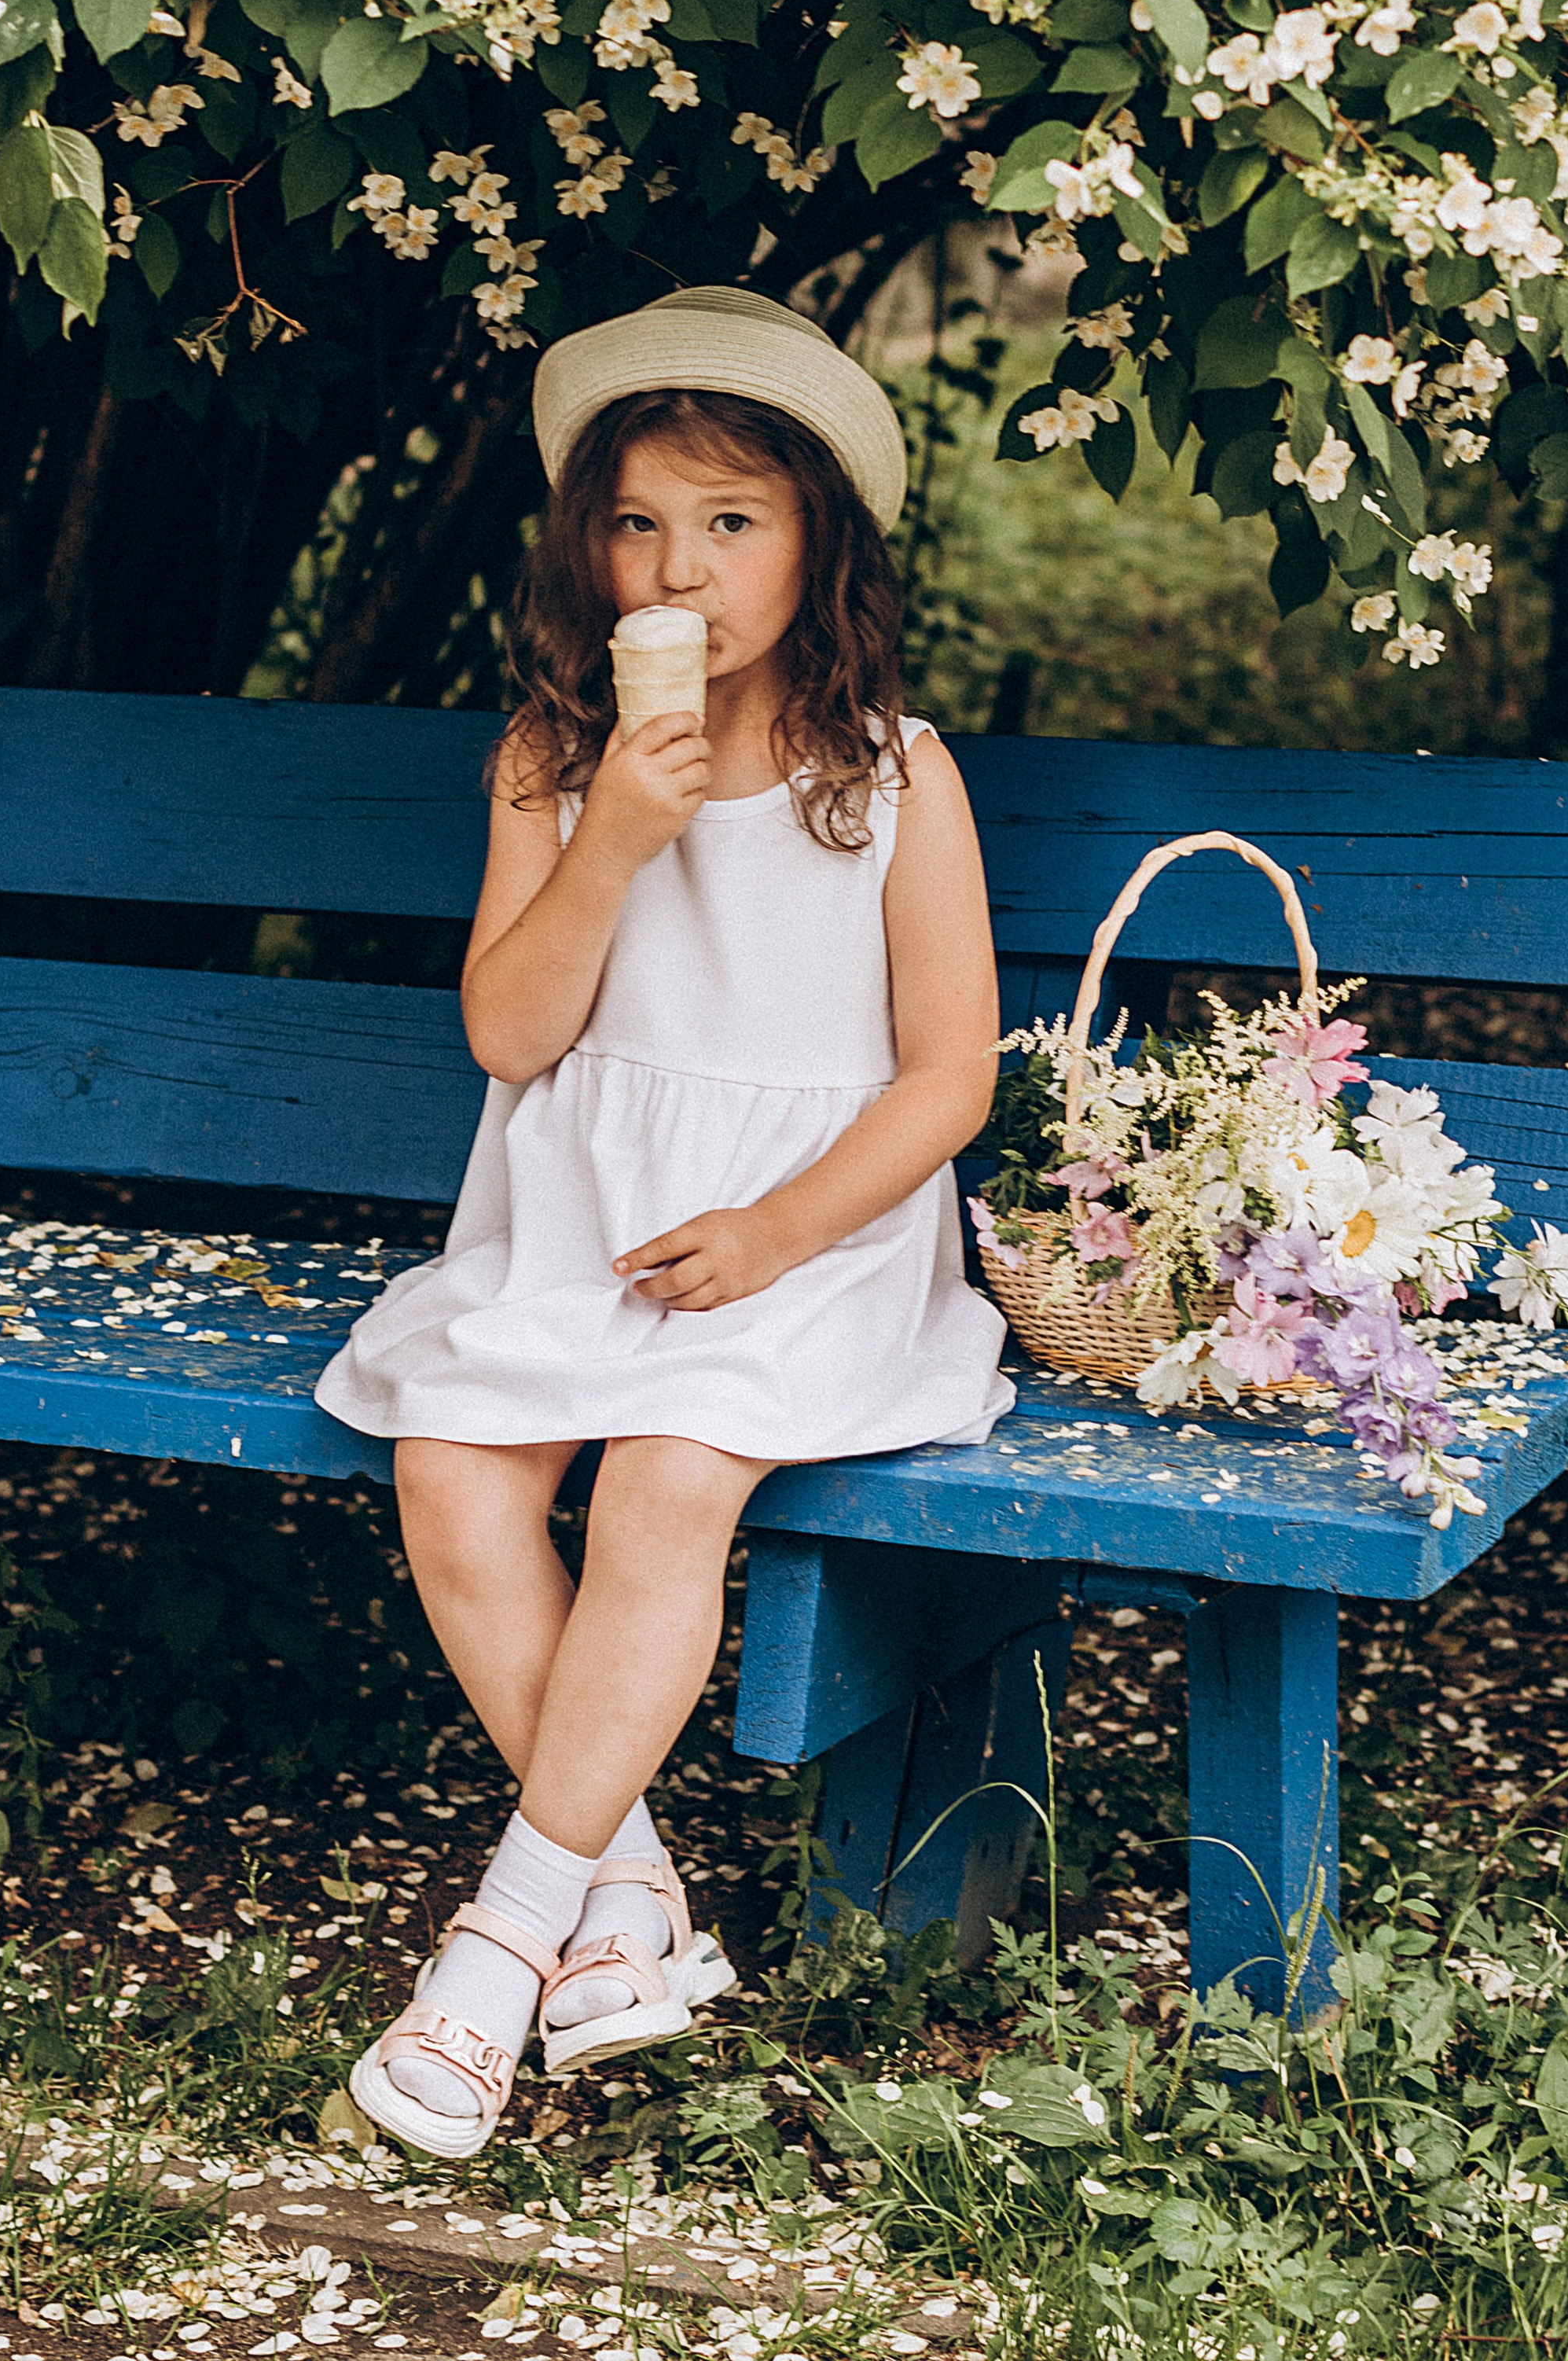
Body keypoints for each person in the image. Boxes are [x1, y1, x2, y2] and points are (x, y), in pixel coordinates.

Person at [314, 285, 1014, 2160]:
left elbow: (946, 1080)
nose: (680, 567)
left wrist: (777, 1231)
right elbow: (510, 1033)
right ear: (587, 550)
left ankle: (496, 1946)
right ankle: (621, 1895)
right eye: (637, 522)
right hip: (584, 1226)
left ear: (816, 543)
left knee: (663, 1479)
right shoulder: (551, 763)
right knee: (452, 1469)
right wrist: (614, 835)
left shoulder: (892, 776)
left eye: (729, 520)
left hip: (810, 1244)